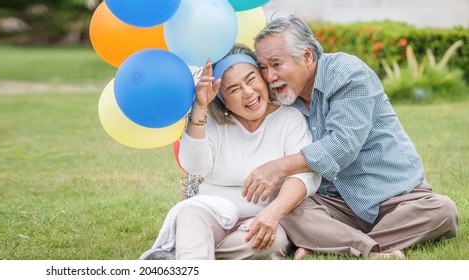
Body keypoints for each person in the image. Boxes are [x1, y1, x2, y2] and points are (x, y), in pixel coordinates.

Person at [243, 14, 459, 259]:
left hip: (392, 199)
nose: (269, 77)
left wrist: (279, 167)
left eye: (276, 64)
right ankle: (369, 250)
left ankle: (329, 242)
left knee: (442, 210)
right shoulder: (282, 98)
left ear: (306, 56)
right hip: (331, 204)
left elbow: (343, 145)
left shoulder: (349, 74)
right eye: (263, 68)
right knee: (283, 202)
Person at [139, 44, 321, 260]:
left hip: (262, 217)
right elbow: (195, 167)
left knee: (276, 240)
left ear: (263, 78)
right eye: (233, 89)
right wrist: (199, 107)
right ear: (222, 98)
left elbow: (304, 174)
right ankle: (193, 258)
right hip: (211, 212)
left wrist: (273, 213)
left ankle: (190, 251)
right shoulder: (212, 123)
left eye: (251, 79)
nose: (248, 92)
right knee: (190, 214)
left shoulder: (289, 118)